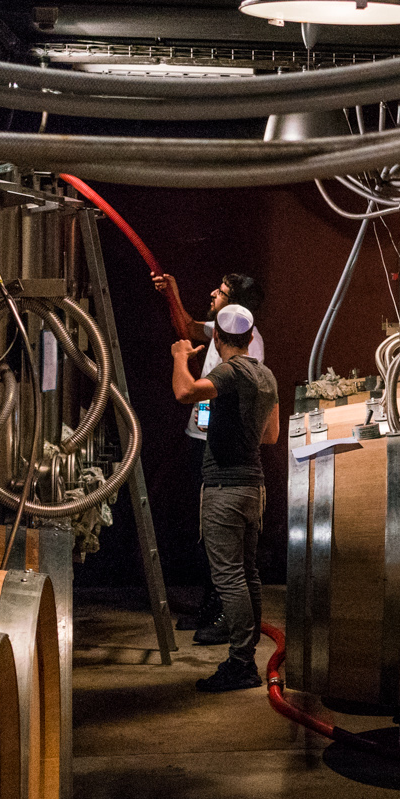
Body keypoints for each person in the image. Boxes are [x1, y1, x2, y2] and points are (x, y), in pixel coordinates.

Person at [171, 303, 279, 693]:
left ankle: (240, 663)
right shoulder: (265, 375)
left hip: (224, 489)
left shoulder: (229, 371)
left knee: (229, 577)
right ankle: (245, 657)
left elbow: (185, 391)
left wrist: (180, 357)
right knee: (248, 574)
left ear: (217, 338)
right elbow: (271, 436)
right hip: (255, 486)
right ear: (250, 337)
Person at [154, 270, 267, 642]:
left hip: (224, 457)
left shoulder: (244, 360)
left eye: (219, 293)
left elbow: (185, 391)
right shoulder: (230, 335)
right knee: (219, 543)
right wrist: (173, 291)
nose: (213, 295)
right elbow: (186, 324)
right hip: (215, 447)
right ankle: (218, 616)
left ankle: (227, 625)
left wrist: (179, 358)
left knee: (225, 547)